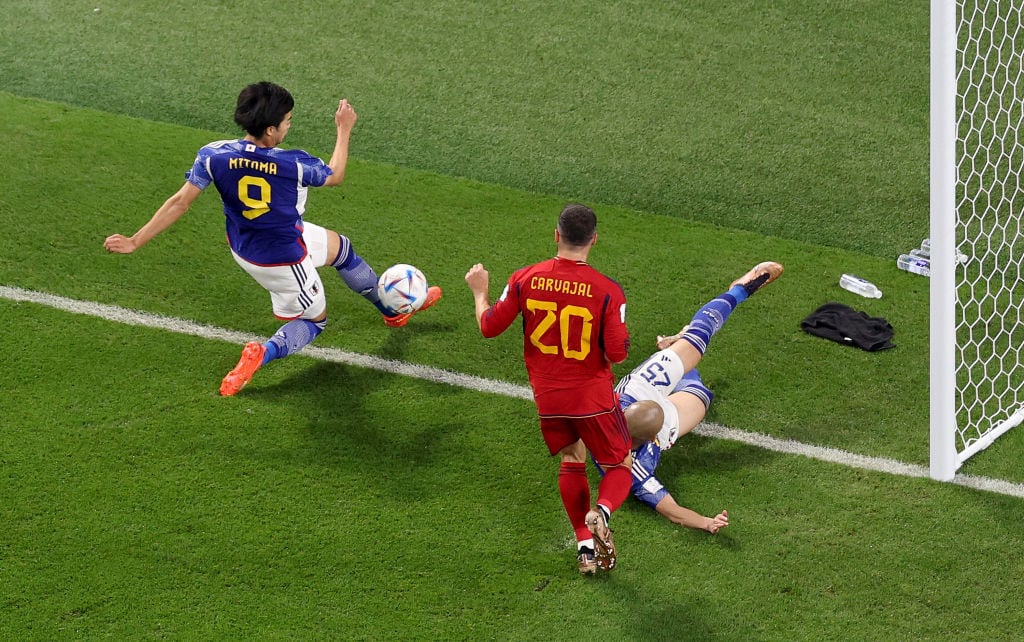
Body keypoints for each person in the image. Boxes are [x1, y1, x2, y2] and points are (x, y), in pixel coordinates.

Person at [103, 82, 441, 396]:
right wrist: (344, 129)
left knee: (341, 248)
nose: (289, 126)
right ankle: (262, 353)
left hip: (245, 245)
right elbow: (335, 175)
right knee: (314, 320)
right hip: (282, 258)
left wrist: (135, 240)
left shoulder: (213, 154)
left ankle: (392, 311)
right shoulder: (292, 164)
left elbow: (180, 202)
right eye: (288, 120)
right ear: (270, 129)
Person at [465, 203, 634, 575]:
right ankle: (601, 512)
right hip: (592, 397)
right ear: (594, 240)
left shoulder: (526, 277)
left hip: (548, 398)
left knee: (572, 458)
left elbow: (489, 326)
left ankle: (585, 548)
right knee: (620, 463)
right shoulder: (608, 291)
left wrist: (480, 293)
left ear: (556, 235)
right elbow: (618, 354)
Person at [602, 261, 783, 534]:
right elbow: (671, 510)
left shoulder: (608, 411)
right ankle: (677, 349)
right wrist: (706, 523)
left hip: (639, 389)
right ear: (652, 439)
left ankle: (740, 290)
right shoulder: (633, 472)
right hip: (655, 413)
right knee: (700, 395)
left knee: (701, 333)